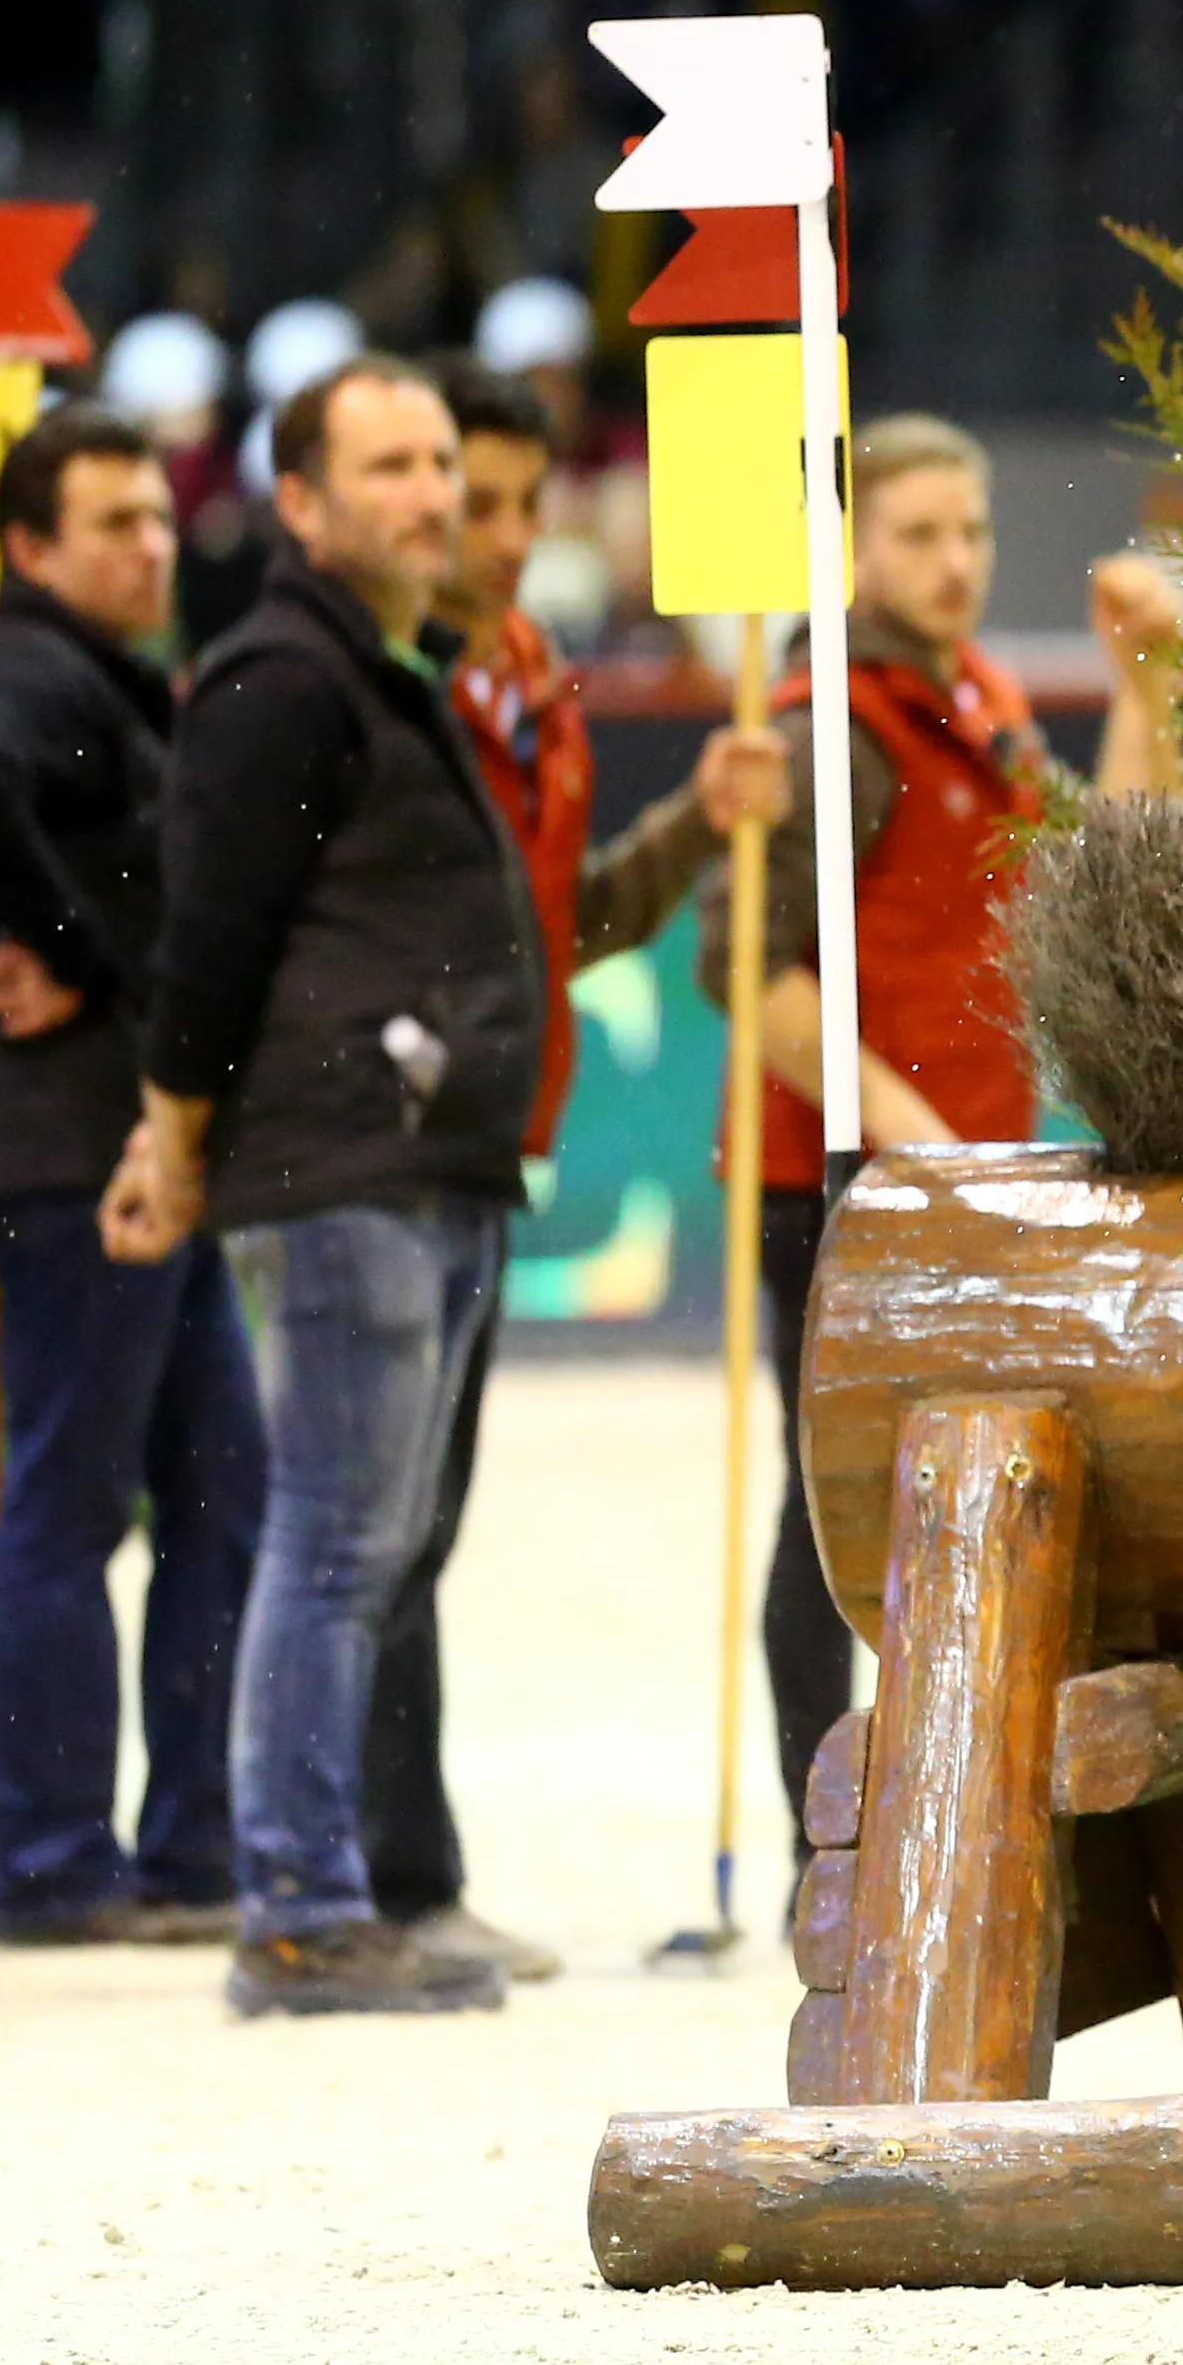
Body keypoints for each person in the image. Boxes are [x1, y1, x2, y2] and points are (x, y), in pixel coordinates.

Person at [100, 354, 541, 2017]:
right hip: (349, 1160)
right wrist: (168, 1139)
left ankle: (324, 1884)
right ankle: (295, 1905)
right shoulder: (283, 678)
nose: (435, 493)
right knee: (339, 1541)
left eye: (439, 461)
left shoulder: (368, 669)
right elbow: (207, 940)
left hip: (414, 1159)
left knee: (367, 1541)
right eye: (393, 467)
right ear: (299, 501)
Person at [343, 360, 783, 1983]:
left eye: (530, 503)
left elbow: (558, 925)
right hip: (383, 1145)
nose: (512, 534)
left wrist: (693, 826)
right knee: (369, 1529)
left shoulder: (527, 672)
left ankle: (367, 1869)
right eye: (479, 502)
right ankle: (364, 1878)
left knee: (410, 1523)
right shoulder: (382, 688)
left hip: (485, 1144)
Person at [694, 415, 1183, 1847]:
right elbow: (747, 972)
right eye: (918, 534)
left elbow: (1105, 870)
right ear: (851, 550)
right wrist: (904, 1136)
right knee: (835, 1503)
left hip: (960, 1176)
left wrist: (1147, 685)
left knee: (964, 1486)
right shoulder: (826, 727)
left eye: (970, 530)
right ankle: (820, 1837)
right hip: (838, 1180)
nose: (956, 560)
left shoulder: (980, 697)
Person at [0, 405, 260, 1947]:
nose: (150, 545)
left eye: (157, 516)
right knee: (75, 1495)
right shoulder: (30, 671)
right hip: (70, 1153)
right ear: (28, 547)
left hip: (129, 1147)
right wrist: (83, 955)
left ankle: (189, 1847)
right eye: (113, 521)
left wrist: (91, 944)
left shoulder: (97, 676)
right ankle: (55, 1863)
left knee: (221, 1484)